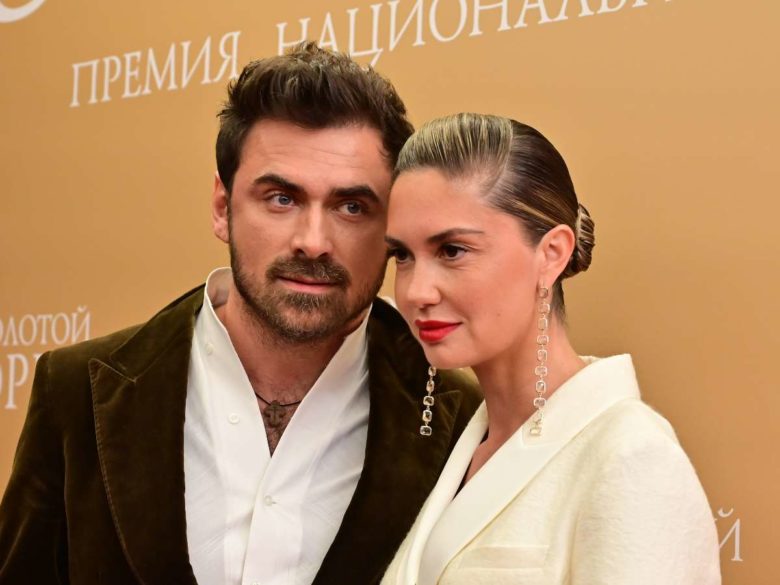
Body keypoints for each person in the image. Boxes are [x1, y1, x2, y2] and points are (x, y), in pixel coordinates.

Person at [0, 45, 481, 585]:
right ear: (222, 206)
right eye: (281, 198)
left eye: (352, 207)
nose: (313, 242)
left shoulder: (461, 417)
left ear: (390, 225)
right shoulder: (76, 392)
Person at [381, 113, 721, 584]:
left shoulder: (630, 456)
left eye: (453, 250)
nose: (417, 291)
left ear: (551, 254)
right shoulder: (469, 446)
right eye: (402, 255)